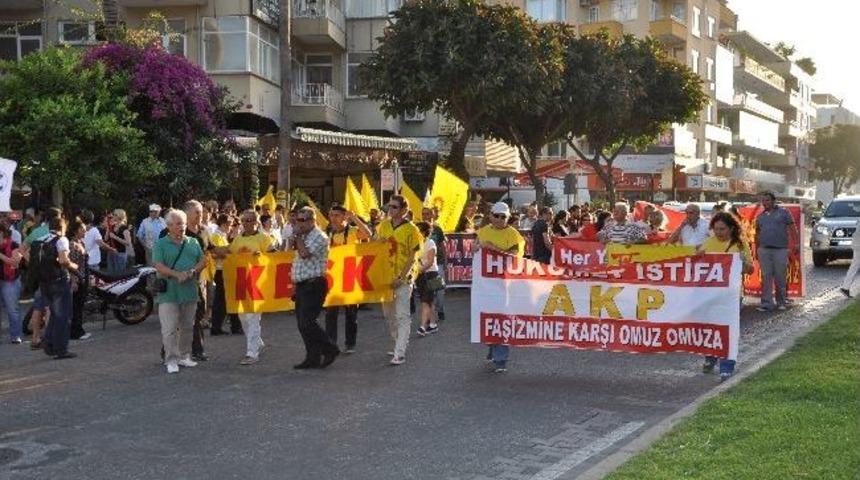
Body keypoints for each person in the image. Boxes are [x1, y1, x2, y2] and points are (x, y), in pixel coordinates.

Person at [698, 212, 753, 381]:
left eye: (722, 229)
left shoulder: (739, 244)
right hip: (710, 294)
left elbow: (750, 269)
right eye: (716, 229)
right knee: (710, 328)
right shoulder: (707, 243)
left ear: (731, 229)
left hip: (732, 296)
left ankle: (727, 365)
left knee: (728, 330)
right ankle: (710, 357)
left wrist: (738, 265)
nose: (719, 233)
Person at [474, 202, 525, 373]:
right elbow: (474, 251)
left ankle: (501, 359)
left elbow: (515, 256)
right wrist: (479, 247)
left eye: (504, 217)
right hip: (486, 286)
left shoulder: (513, 234)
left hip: (505, 286)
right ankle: (492, 345)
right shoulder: (482, 232)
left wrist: (492, 248)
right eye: (497, 216)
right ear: (490, 216)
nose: (500, 219)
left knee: (501, 320)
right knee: (488, 319)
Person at [153, 209, 205, 374]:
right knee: (169, 328)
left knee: (188, 326)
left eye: (182, 223)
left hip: (189, 291)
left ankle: (184, 356)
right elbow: (158, 266)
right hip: (169, 292)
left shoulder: (193, 242)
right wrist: (177, 274)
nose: (181, 227)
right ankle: (171, 359)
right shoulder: (160, 243)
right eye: (177, 224)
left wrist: (191, 272)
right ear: (168, 226)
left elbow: (203, 261)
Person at [289, 206, 340, 369]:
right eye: (298, 220)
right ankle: (313, 357)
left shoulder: (319, 236)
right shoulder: (304, 236)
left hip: (314, 284)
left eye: (303, 220)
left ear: (312, 221)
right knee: (301, 324)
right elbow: (295, 253)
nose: (299, 223)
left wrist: (297, 236)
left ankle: (330, 348)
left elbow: (305, 254)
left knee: (307, 322)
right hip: (303, 284)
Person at [376, 195, 423, 366]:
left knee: (402, 315)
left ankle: (400, 351)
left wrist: (401, 277)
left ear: (403, 210)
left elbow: (413, 256)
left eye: (395, 207)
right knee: (389, 315)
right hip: (385, 278)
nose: (391, 210)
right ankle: (397, 342)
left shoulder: (411, 229)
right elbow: (376, 248)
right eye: (389, 206)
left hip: (403, 279)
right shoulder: (383, 226)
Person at [222, 210, 273, 365]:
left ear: (256, 222)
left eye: (250, 220)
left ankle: (252, 353)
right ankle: (257, 342)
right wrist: (214, 249)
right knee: (243, 316)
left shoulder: (264, 238)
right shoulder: (237, 239)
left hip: (257, 284)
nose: (247, 223)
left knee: (253, 318)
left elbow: (274, 257)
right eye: (244, 221)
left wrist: (261, 257)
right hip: (241, 284)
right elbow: (230, 254)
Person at [324, 205, 372, 353]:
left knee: (351, 313)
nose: (333, 218)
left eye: (337, 215)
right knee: (330, 313)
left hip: (351, 278)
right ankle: (331, 343)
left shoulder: (351, 231)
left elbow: (367, 233)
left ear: (344, 217)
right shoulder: (328, 233)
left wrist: (354, 218)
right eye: (331, 215)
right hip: (333, 278)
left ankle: (350, 344)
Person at [38, 213, 79, 359]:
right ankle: (61, 349)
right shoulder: (61, 240)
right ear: (62, 227)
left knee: (55, 315)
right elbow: (63, 261)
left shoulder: (41, 239)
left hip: (44, 282)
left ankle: (49, 345)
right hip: (59, 280)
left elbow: (28, 255)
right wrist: (74, 266)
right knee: (63, 316)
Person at [755, 192, 798, 312]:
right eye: (763, 201)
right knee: (766, 277)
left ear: (773, 201)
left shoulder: (784, 212)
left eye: (767, 200)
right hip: (764, 250)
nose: (765, 203)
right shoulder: (760, 216)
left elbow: (792, 228)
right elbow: (757, 234)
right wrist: (757, 249)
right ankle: (767, 303)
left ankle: (781, 302)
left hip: (780, 250)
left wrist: (797, 243)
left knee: (780, 276)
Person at [209, 214, 242, 335]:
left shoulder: (222, 235)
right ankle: (218, 327)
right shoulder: (216, 236)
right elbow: (213, 253)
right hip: (220, 270)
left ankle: (233, 326)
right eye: (230, 224)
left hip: (226, 269)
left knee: (228, 298)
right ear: (224, 224)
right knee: (221, 300)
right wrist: (229, 251)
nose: (231, 227)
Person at [414, 221, 441, 336]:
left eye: (418, 230)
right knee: (429, 301)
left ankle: (423, 326)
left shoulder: (430, 243)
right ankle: (433, 324)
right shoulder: (416, 243)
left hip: (431, 274)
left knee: (426, 301)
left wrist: (419, 270)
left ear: (425, 232)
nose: (416, 232)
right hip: (420, 275)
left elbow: (430, 262)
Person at [0, 224, 23, 344]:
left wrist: (1, 255)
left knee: (12, 309)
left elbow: (15, 262)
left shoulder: (13, 244)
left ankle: (15, 335)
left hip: (10, 281)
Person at [67, 220, 90, 341]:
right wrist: (74, 280)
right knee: (76, 306)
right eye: (82, 229)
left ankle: (79, 329)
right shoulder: (72, 244)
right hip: (77, 278)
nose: (85, 231)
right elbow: (70, 265)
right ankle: (76, 332)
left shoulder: (81, 243)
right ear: (76, 230)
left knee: (80, 305)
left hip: (83, 277)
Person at [423, 207, 447, 322]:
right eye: (423, 214)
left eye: (427, 214)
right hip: (425, 265)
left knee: (440, 290)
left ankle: (440, 309)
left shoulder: (437, 229)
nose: (425, 216)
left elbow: (443, 246)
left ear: (432, 216)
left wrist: (446, 262)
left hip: (438, 264)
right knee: (428, 292)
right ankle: (429, 314)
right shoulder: (419, 229)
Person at [839, 216, 860, 298]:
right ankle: (845, 287)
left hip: (857, 244)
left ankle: (845, 287)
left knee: (854, 266)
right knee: (854, 266)